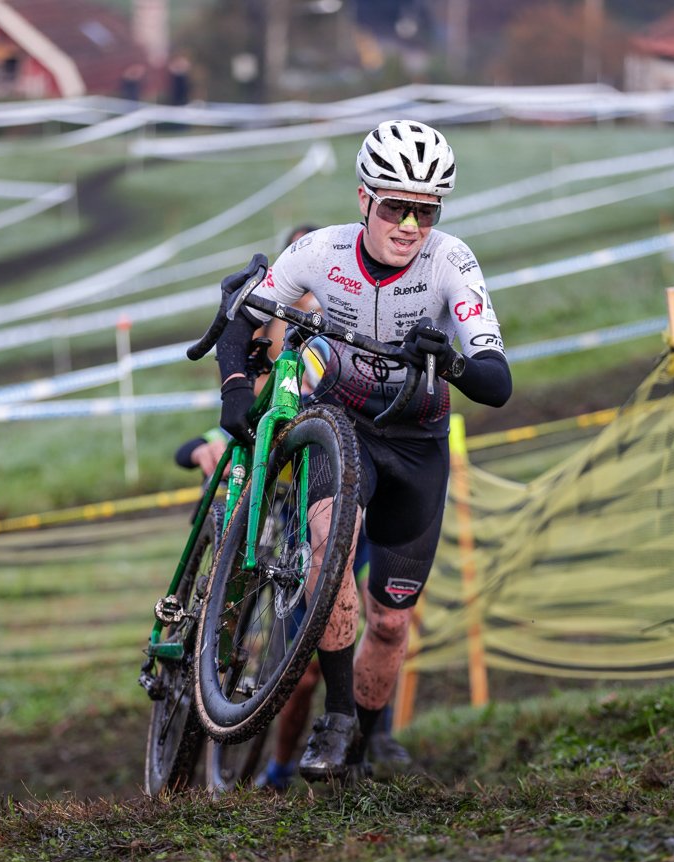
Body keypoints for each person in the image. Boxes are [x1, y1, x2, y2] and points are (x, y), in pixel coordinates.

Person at [216, 119, 512, 783]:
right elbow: (242, 320)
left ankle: (366, 742)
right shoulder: (319, 252)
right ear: (363, 200)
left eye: (426, 211)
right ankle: (339, 716)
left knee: (390, 622)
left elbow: (498, 382)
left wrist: (451, 363)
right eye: (395, 207)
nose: (409, 225)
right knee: (330, 555)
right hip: (342, 426)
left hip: (418, 443)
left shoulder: (451, 262)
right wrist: (235, 389)